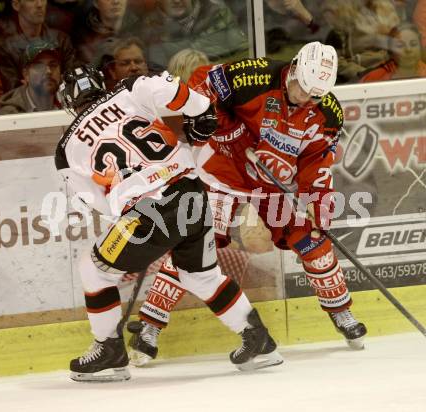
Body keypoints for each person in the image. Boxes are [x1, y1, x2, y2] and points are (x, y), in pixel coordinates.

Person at [128, 41, 368, 366]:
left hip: (271, 182)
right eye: (302, 89)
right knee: (196, 247)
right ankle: (149, 325)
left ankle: (342, 313)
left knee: (312, 238)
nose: (305, 99)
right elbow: (201, 83)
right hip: (222, 171)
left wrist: (318, 199)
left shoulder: (327, 114)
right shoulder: (252, 76)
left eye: (315, 95)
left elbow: (318, 160)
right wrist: (227, 130)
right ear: (294, 67)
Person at [55, 65, 283, 382]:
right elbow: (178, 92)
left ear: (68, 102)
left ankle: (109, 351)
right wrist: (201, 110)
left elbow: (97, 203)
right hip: (192, 193)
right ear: (100, 84)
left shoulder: (66, 149)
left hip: (147, 211)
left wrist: (133, 215)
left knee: (93, 268)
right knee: (201, 277)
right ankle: (259, 341)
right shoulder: (129, 88)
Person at [0, 0, 75, 93]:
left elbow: (72, 79)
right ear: (16, 5)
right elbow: (12, 89)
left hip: (62, 100)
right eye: (31, 0)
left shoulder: (61, 39)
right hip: (24, 103)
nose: (39, 5)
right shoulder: (3, 46)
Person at [141, 0, 248, 68]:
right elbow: (150, 69)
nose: (177, 1)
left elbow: (244, 54)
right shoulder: (147, 27)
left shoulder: (216, 13)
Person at [0, 39, 62, 114]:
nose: (48, 71)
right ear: (26, 75)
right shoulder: (9, 114)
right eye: (39, 66)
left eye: (53, 65)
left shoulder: (72, 104)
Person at [360, 23, 426, 82]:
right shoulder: (374, 79)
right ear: (391, 52)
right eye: (400, 45)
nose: (408, 49)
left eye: (413, 44)